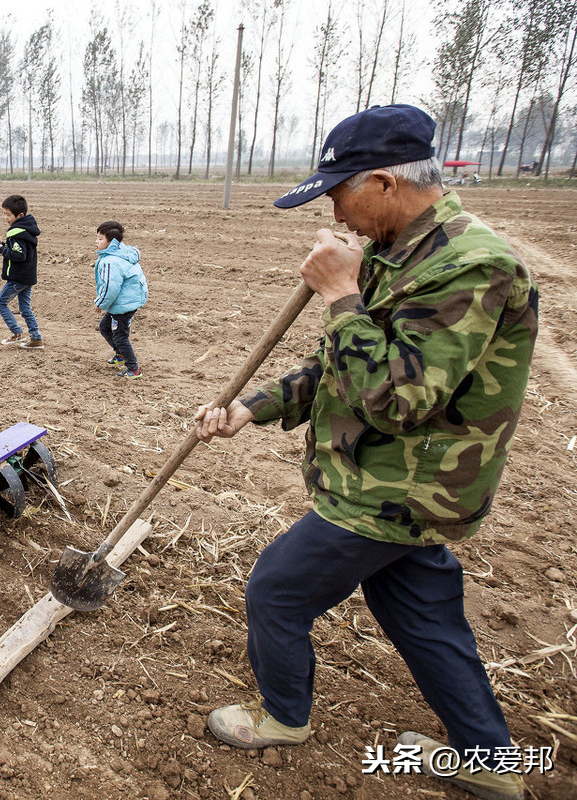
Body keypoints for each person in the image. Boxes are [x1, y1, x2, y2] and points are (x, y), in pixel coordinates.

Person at [195, 105, 538, 800]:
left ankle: (283, 720)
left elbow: (398, 397)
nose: (333, 210)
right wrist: (248, 409)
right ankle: (489, 763)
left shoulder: (472, 266)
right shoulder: (398, 249)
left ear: (383, 181)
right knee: (422, 613)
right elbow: (340, 368)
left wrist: (342, 295)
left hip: (395, 489)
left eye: (338, 191)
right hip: (402, 487)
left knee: (277, 591)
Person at [93, 221, 147, 380]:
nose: (96, 241)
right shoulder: (122, 252)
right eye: (97, 238)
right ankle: (120, 355)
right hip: (126, 300)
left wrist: (100, 303)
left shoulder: (111, 262)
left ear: (112, 243)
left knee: (120, 337)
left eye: (100, 239)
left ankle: (134, 369)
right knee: (104, 327)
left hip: (124, 304)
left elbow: (111, 287)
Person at [0, 194, 43, 349]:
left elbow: (20, 255)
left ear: (20, 215)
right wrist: (5, 244)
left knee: (0, 303)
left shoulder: (16, 233)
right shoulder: (26, 230)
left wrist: (2, 249)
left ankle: (16, 333)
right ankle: (36, 338)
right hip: (27, 276)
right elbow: (20, 250)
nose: (6, 218)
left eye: (8, 215)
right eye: (4, 214)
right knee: (25, 308)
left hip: (18, 277)